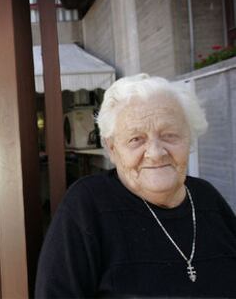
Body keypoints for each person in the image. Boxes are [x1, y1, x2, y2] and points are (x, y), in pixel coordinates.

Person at [35, 74, 236, 298]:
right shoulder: (87, 206)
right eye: (136, 139)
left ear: (189, 139)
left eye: (169, 135)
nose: (156, 153)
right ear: (112, 149)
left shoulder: (207, 198)